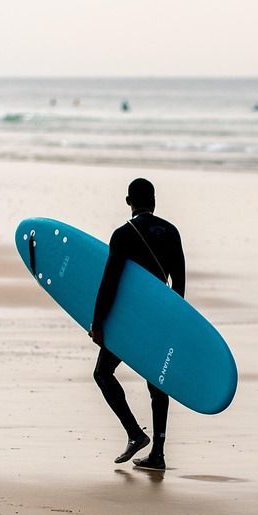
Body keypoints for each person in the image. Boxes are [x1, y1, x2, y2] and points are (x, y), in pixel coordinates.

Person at [90, 178, 185, 471]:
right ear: (154, 201)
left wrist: (98, 322)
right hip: (160, 317)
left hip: (130, 319)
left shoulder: (123, 235)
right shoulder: (171, 232)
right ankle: (158, 453)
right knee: (157, 383)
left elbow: (110, 283)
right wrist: (172, 320)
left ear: (128, 201)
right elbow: (179, 284)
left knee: (103, 373)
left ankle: (134, 433)